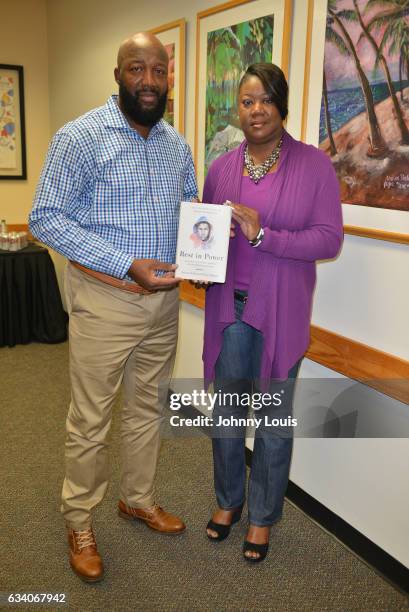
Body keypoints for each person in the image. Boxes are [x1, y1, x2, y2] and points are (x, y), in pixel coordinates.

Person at [29, 32, 198, 582]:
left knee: (148, 408)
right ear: (118, 73)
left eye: (158, 70)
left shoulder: (177, 145)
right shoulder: (79, 138)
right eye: (136, 69)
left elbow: (189, 216)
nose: (149, 81)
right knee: (91, 421)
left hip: (163, 306)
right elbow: (46, 218)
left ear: (168, 78)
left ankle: (138, 498)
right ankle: (78, 519)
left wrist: (201, 250)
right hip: (105, 302)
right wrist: (127, 263)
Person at [202, 63, 343, 562]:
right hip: (228, 309)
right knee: (226, 412)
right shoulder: (220, 168)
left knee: (272, 417)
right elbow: (206, 234)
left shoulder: (313, 165)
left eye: (265, 99)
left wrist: (265, 236)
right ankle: (228, 501)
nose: (256, 109)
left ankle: (262, 515)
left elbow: (329, 239)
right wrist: (200, 262)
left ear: (281, 104)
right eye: (246, 101)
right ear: (237, 109)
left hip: (280, 312)